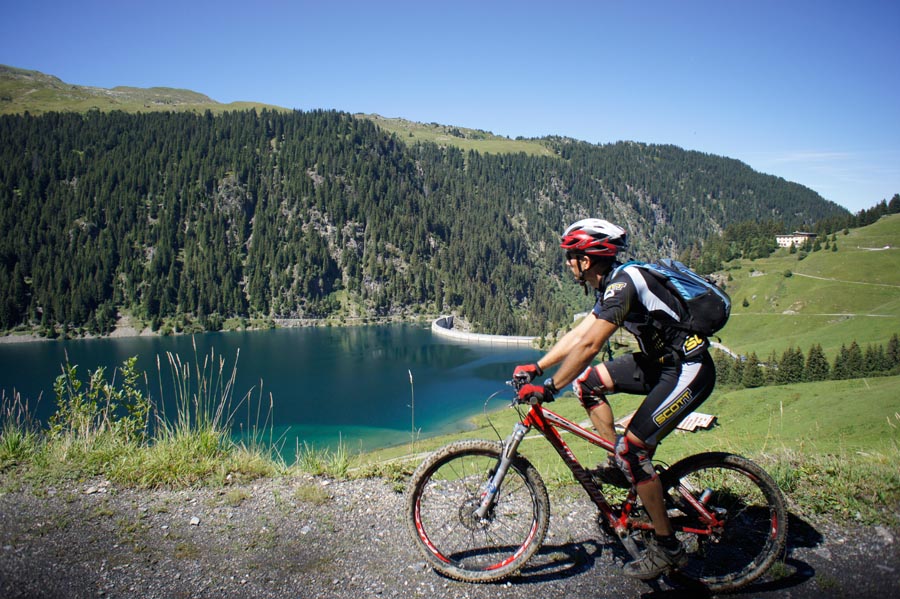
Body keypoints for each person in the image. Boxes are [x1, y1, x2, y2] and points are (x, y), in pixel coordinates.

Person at [512, 218, 716, 581]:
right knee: (588, 385)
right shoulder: (609, 285)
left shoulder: (623, 284)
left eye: (570, 256)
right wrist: (538, 365)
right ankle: (620, 463)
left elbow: (590, 346)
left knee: (634, 449)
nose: (567, 263)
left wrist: (549, 388)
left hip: (688, 367)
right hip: (659, 364)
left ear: (585, 260)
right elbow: (579, 334)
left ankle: (667, 547)